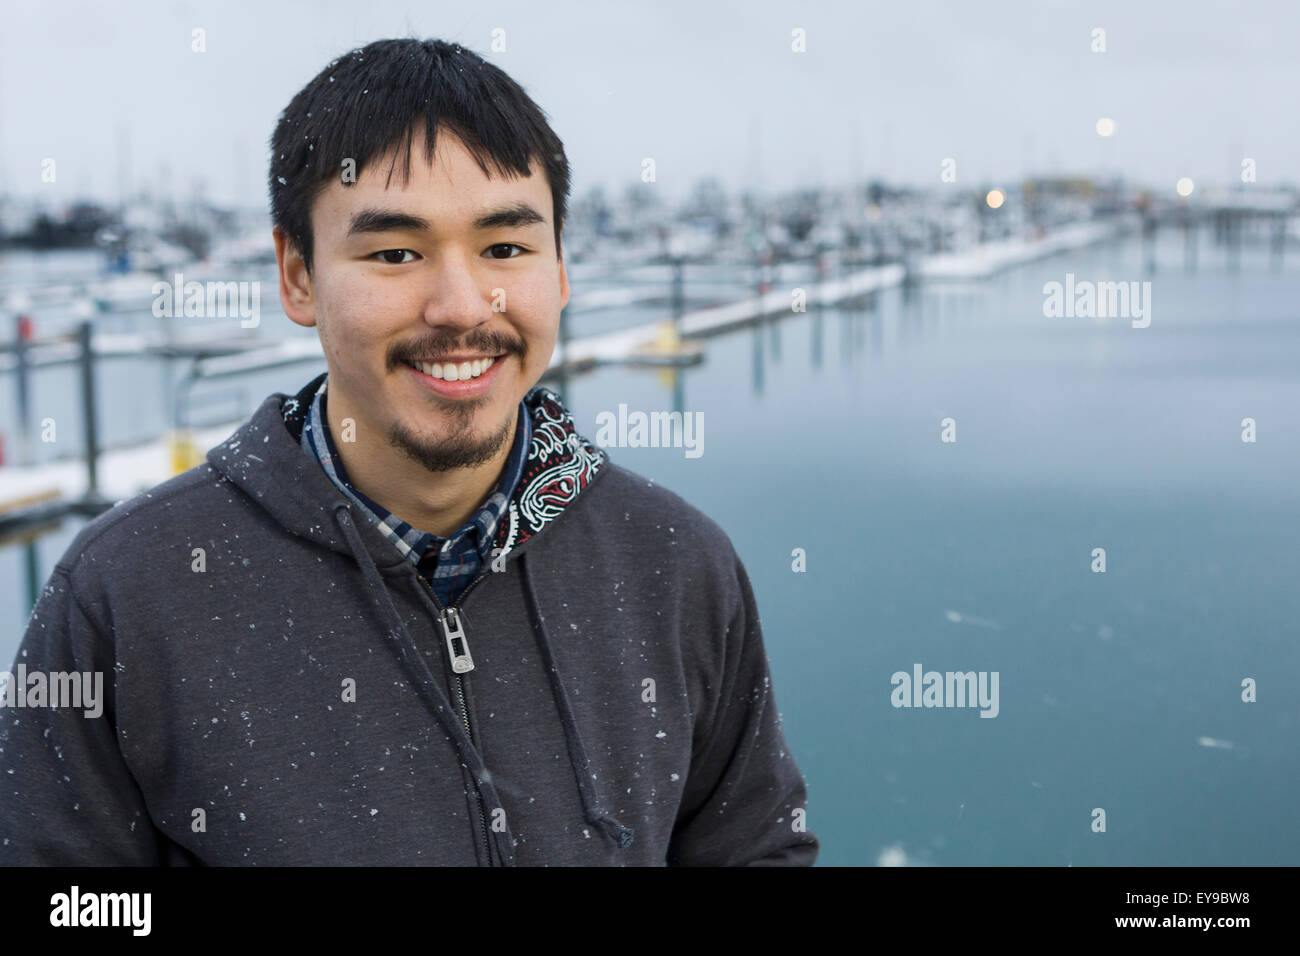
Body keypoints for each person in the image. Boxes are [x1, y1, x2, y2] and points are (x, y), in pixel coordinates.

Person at [0, 37, 818, 866]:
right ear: (298, 277)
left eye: (506, 247)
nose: (461, 305)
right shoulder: (124, 594)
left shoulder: (675, 564)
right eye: (395, 253)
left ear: (562, 271)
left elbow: (751, 847)